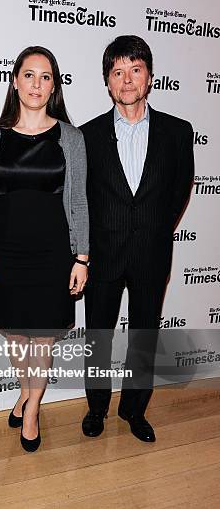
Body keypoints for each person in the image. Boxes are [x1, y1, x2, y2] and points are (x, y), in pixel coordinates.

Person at [80, 35, 194, 442]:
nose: (127, 80)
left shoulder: (179, 132)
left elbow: (180, 190)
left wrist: (156, 228)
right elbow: (82, 198)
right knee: (98, 334)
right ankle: (96, 408)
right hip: (103, 255)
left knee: (145, 334)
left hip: (151, 251)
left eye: (135, 70)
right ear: (107, 82)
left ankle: (134, 409)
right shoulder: (86, 136)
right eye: (118, 72)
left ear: (149, 77)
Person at [0, 46, 89, 452]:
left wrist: (81, 257)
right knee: (16, 337)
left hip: (53, 254)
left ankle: (32, 409)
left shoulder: (70, 138)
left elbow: (78, 202)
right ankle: (26, 391)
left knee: (42, 338)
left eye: (45, 76)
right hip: (6, 253)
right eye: (29, 75)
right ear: (14, 81)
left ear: (54, 85)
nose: (36, 84)